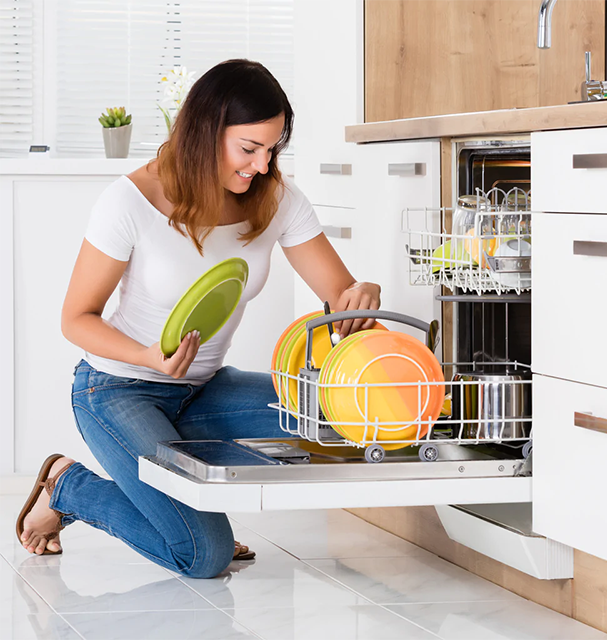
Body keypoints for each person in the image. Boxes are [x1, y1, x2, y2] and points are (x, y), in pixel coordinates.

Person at [15, 59, 381, 578]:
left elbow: (340, 295)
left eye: (272, 149)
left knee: (339, 411)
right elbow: (76, 319)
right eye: (249, 149)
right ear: (206, 132)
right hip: (119, 390)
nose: (261, 165)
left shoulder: (277, 199)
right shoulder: (130, 201)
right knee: (203, 555)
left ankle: (179, 504)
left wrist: (361, 293)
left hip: (204, 391)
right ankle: (69, 487)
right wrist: (147, 356)